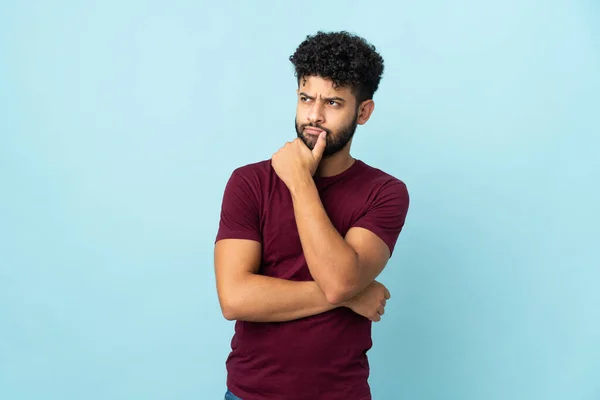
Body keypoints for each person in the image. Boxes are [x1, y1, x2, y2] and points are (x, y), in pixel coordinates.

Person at [214, 31, 410, 400]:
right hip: (249, 394)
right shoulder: (249, 182)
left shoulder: (384, 192)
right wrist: (353, 296)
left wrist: (299, 180)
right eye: (306, 98)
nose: (314, 116)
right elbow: (235, 298)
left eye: (334, 103)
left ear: (363, 112)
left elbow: (338, 280)